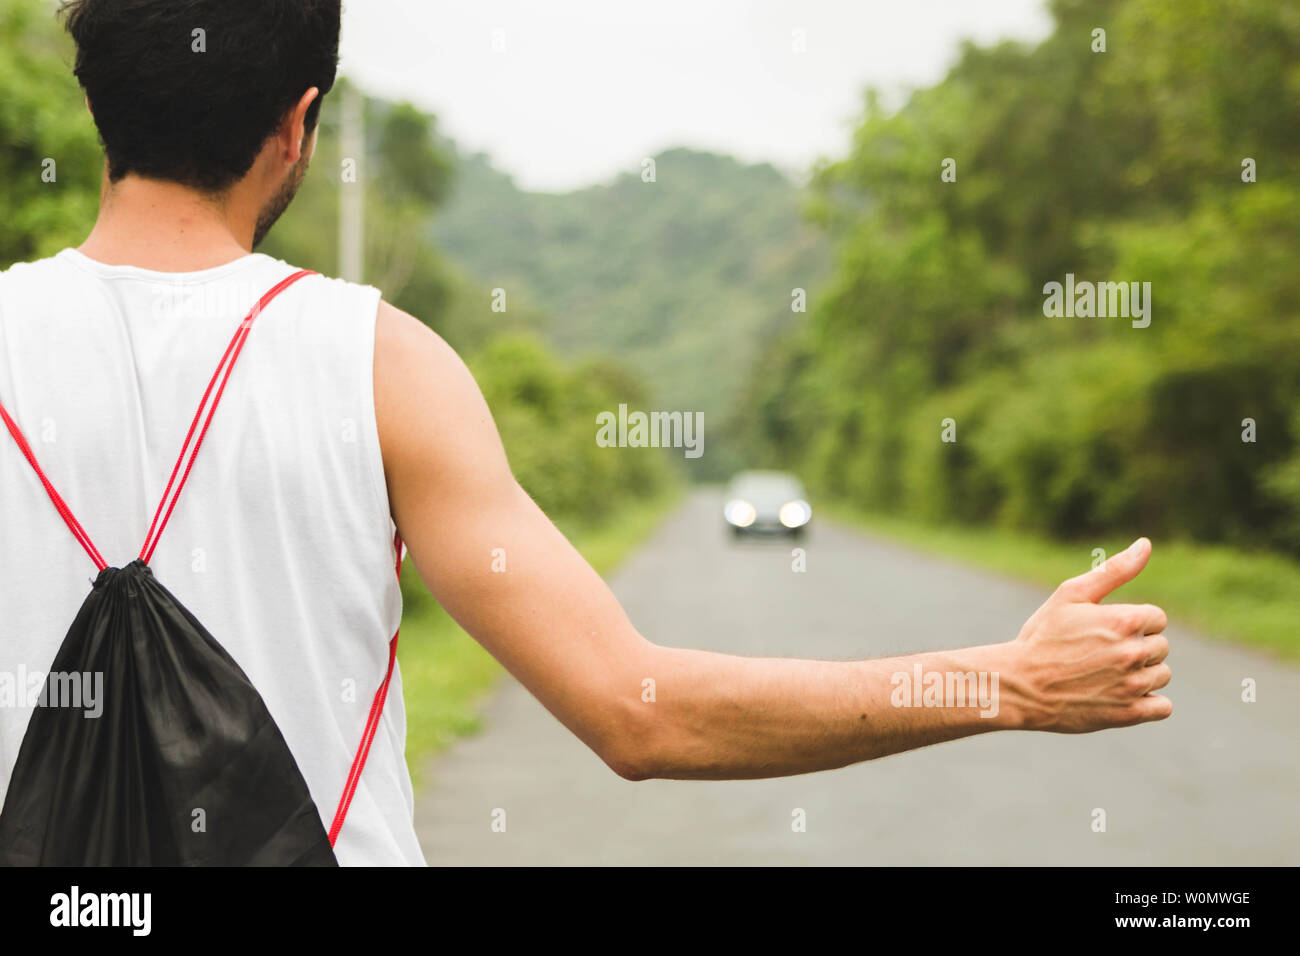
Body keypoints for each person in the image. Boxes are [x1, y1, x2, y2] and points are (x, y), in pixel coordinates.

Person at [0, 0, 1171, 866]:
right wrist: (1003, 682)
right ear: (298, 125)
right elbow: (639, 710)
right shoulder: (380, 363)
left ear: (96, 101)